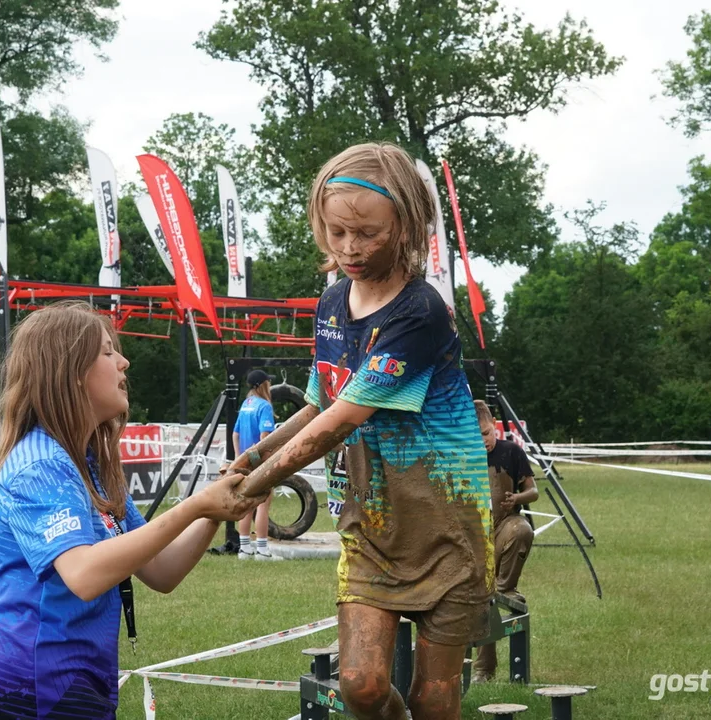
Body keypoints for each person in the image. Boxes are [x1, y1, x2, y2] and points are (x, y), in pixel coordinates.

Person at [221, 143, 490, 720]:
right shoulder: (332, 302)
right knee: (361, 686)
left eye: (366, 233)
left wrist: (255, 486)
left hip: (447, 526)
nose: (350, 248)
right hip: (370, 528)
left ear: (406, 225)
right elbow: (321, 404)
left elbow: (341, 421)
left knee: (434, 700)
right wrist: (250, 461)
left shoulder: (419, 313)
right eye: (336, 232)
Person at [0, 301, 262, 719]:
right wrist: (195, 506)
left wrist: (213, 511)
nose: (124, 362)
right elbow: (84, 575)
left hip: (71, 685)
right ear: (71, 374)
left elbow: (162, 571)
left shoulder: (88, 465)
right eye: (107, 352)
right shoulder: (42, 464)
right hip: (27, 692)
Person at [471, 399, 539, 683]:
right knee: (477, 600)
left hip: (503, 526)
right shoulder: (463, 457)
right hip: (473, 534)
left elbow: (533, 491)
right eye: (477, 435)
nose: (484, 440)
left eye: (487, 433)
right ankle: (482, 669)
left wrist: (517, 499)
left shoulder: (511, 452)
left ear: (494, 428)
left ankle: (505, 587)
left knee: (521, 529)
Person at [233, 368, 276, 560]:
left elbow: (235, 434)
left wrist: (239, 457)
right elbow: (264, 437)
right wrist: (266, 462)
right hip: (259, 462)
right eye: (269, 382)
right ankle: (263, 550)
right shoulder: (264, 406)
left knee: (247, 505)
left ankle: (244, 548)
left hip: (244, 461)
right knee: (263, 505)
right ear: (263, 385)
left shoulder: (245, 404)